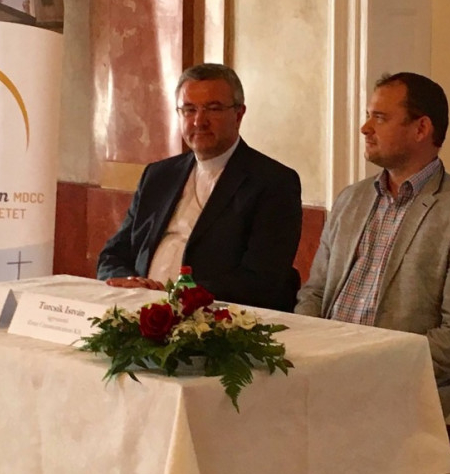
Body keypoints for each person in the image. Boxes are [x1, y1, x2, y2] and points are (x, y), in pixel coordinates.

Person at [272, 72, 450, 474]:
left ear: (421, 128)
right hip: (325, 364)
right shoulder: (352, 199)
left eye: (379, 117)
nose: (365, 128)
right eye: (368, 115)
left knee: (332, 417)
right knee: (249, 400)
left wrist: (372, 369)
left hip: (401, 377)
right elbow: (314, 292)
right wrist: (308, 346)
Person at [97, 63, 302, 313]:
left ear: (238, 114)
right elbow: (112, 255)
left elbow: (261, 279)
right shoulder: (158, 175)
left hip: (217, 320)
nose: (199, 121)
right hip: (139, 310)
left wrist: (176, 295)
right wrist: (128, 283)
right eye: (189, 109)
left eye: (213, 109)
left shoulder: (273, 182)